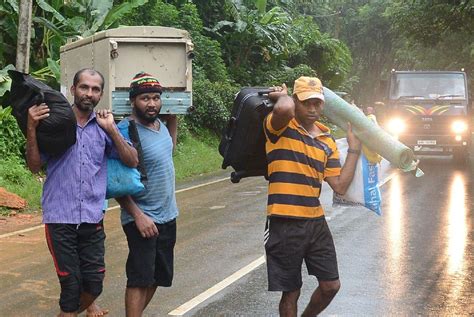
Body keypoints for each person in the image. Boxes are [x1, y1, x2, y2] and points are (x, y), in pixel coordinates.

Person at [26, 68, 138, 317]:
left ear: (101, 94)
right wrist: (32, 127)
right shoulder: (54, 123)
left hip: (92, 216)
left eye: (95, 89)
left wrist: (111, 130)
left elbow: (132, 160)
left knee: (94, 283)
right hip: (60, 217)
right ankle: (68, 312)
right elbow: (35, 165)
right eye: (84, 87)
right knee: (70, 284)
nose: (89, 93)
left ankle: (68, 313)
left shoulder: (103, 125)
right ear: (74, 89)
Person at [263, 76, 361, 317]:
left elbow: (339, 186)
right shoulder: (280, 127)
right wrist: (283, 96)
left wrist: (355, 149)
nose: (313, 109)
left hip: (315, 222)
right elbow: (283, 108)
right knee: (291, 291)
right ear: (296, 101)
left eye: (317, 103)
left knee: (331, 286)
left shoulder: (327, 140)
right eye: (307, 103)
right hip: (284, 220)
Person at [115, 72, 178, 317]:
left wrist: (174, 118)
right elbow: (116, 181)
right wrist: (137, 215)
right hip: (142, 217)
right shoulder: (125, 130)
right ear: (133, 101)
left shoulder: (161, 124)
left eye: (155, 97)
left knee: (157, 278)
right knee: (140, 278)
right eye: (144, 98)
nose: (151, 103)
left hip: (168, 215)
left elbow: (168, 150)